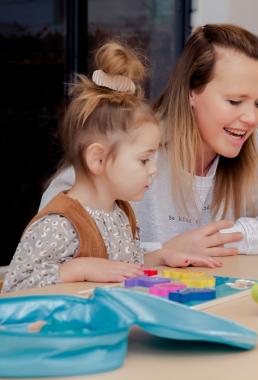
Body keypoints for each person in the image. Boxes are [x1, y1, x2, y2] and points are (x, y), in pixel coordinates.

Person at [40, 24, 258, 257]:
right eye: (234, 101)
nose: (251, 118)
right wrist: (162, 252)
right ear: (191, 93)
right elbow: (56, 223)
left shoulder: (252, 143)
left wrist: (225, 238)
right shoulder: (138, 140)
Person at [2, 42, 219, 293]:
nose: (154, 170)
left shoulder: (121, 214)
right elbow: (14, 283)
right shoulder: (59, 224)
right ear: (98, 159)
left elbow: (122, 267)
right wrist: (80, 268)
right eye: (144, 160)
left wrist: (161, 258)